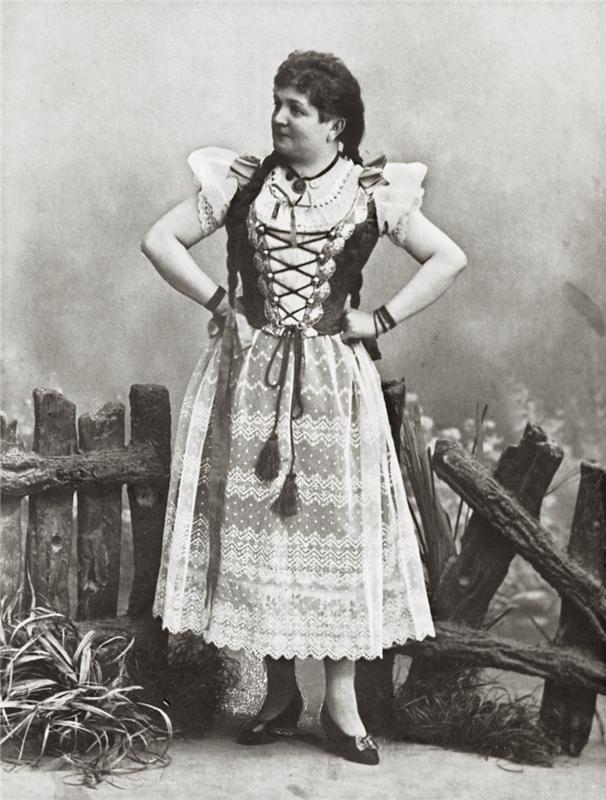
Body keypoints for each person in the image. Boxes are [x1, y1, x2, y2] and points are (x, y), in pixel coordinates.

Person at [142, 50, 466, 766]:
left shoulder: (371, 191)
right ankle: (280, 695)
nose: (279, 117)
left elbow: (449, 258)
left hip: (332, 386)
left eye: (297, 108)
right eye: (277, 103)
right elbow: (158, 240)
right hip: (249, 384)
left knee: (336, 534)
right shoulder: (245, 184)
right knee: (261, 533)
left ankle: (340, 704)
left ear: (335, 125)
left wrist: (378, 320)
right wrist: (221, 303)